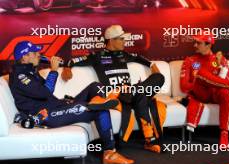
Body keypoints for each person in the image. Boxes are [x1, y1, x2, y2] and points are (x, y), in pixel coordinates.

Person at [9, 40, 134, 164]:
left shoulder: (29, 71)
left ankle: (98, 101)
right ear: (24, 57)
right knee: (98, 109)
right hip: (47, 115)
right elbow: (45, 92)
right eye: (34, 52)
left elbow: (45, 95)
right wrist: (53, 70)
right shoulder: (20, 76)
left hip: (58, 106)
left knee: (95, 86)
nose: (38, 54)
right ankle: (110, 153)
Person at [61, 25, 166, 153]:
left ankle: (136, 92)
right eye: (121, 39)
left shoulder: (125, 55)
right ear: (111, 40)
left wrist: (153, 65)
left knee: (159, 78)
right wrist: (67, 68)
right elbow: (72, 61)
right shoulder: (97, 56)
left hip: (131, 93)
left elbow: (141, 59)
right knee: (142, 96)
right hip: (116, 95)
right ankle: (149, 140)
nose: (124, 42)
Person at [180, 32, 229, 148]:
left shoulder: (220, 59)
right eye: (195, 42)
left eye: (198, 43)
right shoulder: (190, 60)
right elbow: (184, 86)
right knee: (200, 74)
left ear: (209, 45)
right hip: (200, 94)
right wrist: (200, 80)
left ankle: (224, 134)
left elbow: (228, 81)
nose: (195, 45)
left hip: (215, 94)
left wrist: (220, 69)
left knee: (226, 91)